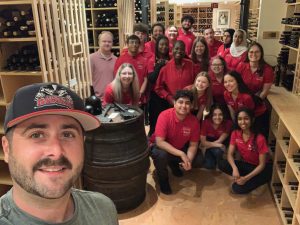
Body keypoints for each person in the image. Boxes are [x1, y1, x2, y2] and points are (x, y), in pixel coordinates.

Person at [0, 82, 119, 224]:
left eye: (68, 135)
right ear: (7, 148)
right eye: (36, 135)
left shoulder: (104, 210)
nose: (56, 151)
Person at [150, 90, 203, 195]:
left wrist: (188, 160)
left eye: (187, 103)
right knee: (161, 155)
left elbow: (193, 145)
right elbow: (160, 142)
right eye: (180, 102)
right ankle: (163, 179)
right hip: (160, 147)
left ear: (191, 105)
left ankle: (173, 163)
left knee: (199, 159)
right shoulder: (164, 116)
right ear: (174, 103)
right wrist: (181, 154)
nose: (184, 105)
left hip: (179, 147)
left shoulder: (194, 121)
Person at [218, 108, 272, 194]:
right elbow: (230, 154)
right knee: (222, 164)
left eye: (246, 118)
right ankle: (246, 177)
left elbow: (262, 164)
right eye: (240, 119)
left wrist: (246, 178)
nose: (243, 122)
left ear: (252, 119)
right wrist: (234, 168)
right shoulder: (235, 133)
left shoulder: (260, 138)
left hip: (261, 169)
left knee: (236, 188)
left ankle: (253, 178)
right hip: (247, 164)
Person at [223, 71, 268, 137]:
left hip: (258, 116)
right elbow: (232, 111)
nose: (228, 84)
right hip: (243, 116)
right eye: (225, 82)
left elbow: (250, 116)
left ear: (238, 81)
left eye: (231, 81)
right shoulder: (226, 94)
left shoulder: (246, 97)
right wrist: (236, 125)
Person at [155, 40, 195, 107]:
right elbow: (158, 88)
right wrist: (169, 98)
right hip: (172, 104)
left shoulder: (191, 65)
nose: (179, 51)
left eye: (182, 49)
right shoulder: (165, 68)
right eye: (176, 48)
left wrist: (191, 87)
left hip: (189, 104)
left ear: (185, 51)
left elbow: (197, 82)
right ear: (172, 50)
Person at [114, 35, 148, 103]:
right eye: (132, 42)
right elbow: (117, 78)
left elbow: (145, 79)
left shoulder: (143, 60)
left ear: (139, 44)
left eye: (136, 42)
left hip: (139, 97)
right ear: (127, 44)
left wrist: (140, 93)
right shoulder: (120, 59)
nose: (134, 45)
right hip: (124, 97)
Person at [148, 35, 170, 136]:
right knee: (155, 120)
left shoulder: (171, 58)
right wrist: (160, 65)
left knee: (167, 121)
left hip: (168, 94)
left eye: (166, 44)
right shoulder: (152, 59)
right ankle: (152, 142)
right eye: (161, 44)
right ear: (157, 46)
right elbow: (151, 78)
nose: (164, 46)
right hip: (155, 95)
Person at [200, 104, 232, 169]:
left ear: (224, 115)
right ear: (211, 115)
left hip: (216, 144)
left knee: (218, 152)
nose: (217, 117)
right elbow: (203, 142)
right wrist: (219, 145)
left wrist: (205, 146)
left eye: (220, 114)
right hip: (214, 145)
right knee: (209, 166)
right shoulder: (205, 122)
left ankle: (220, 161)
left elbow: (220, 141)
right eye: (214, 115)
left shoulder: (228, 123)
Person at [90, 31, 117, 99]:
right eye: (104, 41)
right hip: (97, 99)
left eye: (109, 41)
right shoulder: (91, 58)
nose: (107, 43)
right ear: (99, 43)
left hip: (113, 98)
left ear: (112, 43)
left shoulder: (116, 60)